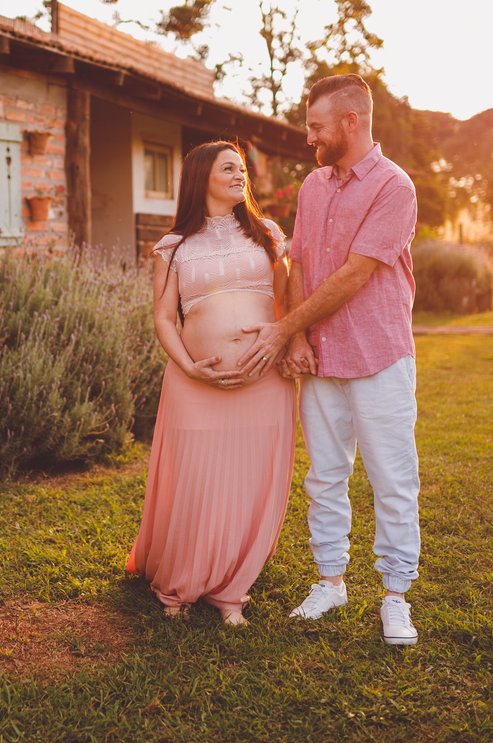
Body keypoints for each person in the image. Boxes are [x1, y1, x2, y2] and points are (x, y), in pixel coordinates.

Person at [236, 73, 422, 645]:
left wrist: (284, 327)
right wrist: (296, 340)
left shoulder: (395, 186)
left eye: (316, 126)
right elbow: (301, 265)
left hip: (379, 356)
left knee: (392, 480)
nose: (309, 136)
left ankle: (395, 596)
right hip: (320, 360)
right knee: (325, 479)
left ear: (351, 121)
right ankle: (330, 581)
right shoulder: (314, 186)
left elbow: (355, 275)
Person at [127, 140, 297, 627]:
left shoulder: (267, 234)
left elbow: (286, 303)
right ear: (201, 177)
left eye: (241, 168)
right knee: (195, 480)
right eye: (228, 168)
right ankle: (179, 583)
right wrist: (189, 366)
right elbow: (163, 318)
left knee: (251, 479)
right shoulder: (174, 246)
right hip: (194, 384)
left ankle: (231, 589)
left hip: (265, 381)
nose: (240, 175)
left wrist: (283, 347)